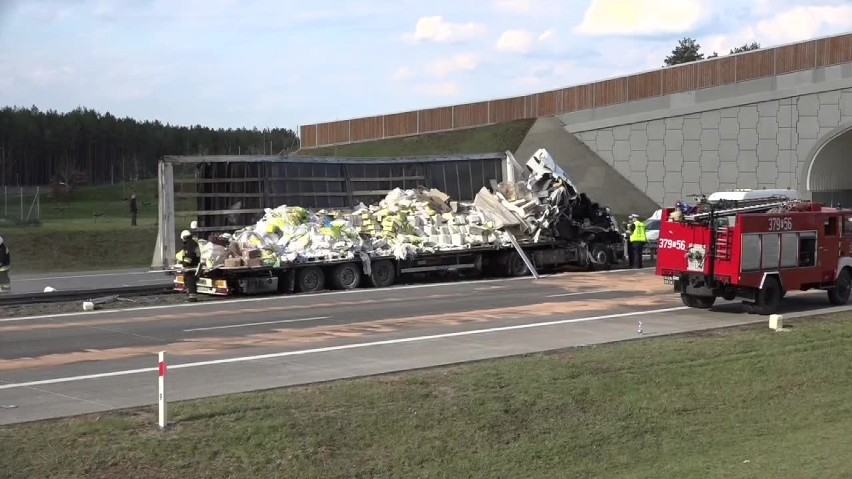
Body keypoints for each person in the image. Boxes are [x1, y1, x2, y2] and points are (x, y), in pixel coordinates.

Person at [177, 230, 200, 302]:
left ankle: (192, 297)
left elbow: (189, 257)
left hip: (191, 266)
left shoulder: (189, 244)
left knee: (190, 280)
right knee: (189, 279)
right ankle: (190, 294)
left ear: (183, 237)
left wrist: (184, 265)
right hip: (194, 264)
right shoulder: (193, 243)